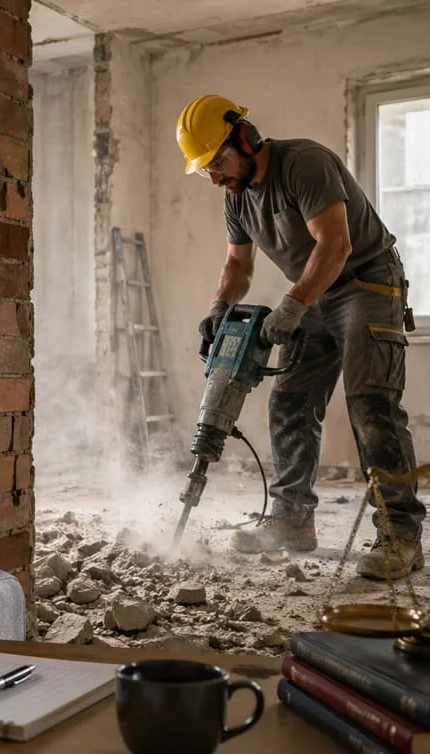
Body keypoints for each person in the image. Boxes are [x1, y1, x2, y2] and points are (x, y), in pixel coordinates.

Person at [176, 94, 423, 579]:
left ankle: (400, 535)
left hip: (365, 282)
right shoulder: (236, 197)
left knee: (370, 404)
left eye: (218, 162)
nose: (216, 177)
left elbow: (337, 244)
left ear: (244, 140)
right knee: (289, 401)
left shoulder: (304, 164)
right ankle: (291, 519)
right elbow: (236, 265)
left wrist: (292, 306)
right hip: (315, 292)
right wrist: (218, 308)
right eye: (205, 170)